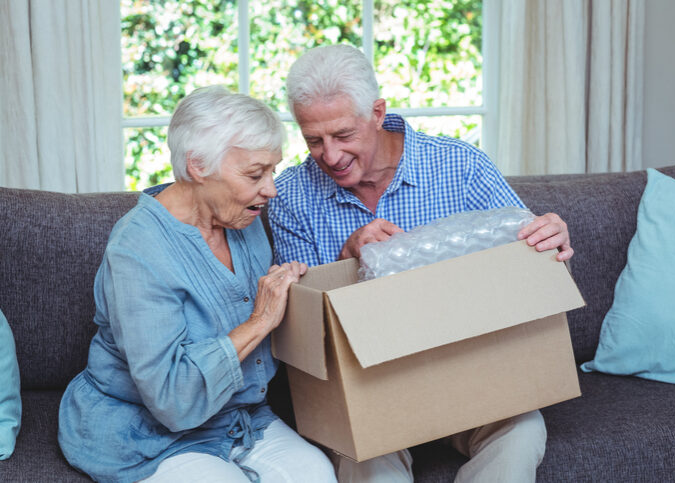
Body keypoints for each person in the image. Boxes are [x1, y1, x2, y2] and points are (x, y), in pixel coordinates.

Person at [268, 44, 574, 482]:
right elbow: (297, 331)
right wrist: (344, 260)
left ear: (377, 112)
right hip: (365, 390)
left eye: (343, 135)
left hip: (473, 372)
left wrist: (551, 247)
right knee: (367, 465)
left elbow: (537, 283)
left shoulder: (460, 166)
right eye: (314, 140)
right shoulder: (292, 197)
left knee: (521, 433)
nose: (330, 155)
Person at [58, 86, 337, 483]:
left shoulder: (243, 217)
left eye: (273, 170)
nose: (271, 189)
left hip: (238, 417)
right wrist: (260, 320)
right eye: (255, 174)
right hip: (147, 432)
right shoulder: (137, 249)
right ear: (197, 166)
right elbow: (171, 401)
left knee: (318, 474)